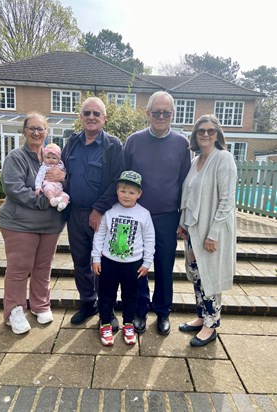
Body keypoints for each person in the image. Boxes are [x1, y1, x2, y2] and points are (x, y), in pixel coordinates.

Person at [46, 96, 124, 327]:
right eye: (87, 113)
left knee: (103, 263)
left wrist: (99, 209)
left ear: (104, 118)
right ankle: (87, 303)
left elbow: (117, 180)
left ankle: (107, 312)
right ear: (80, 117)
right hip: (76, 214)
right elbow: (64, 174)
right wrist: (63, 178)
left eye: (96, 114)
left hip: (101, 215)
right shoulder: (71, 143)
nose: (91, 117)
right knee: (80, 263)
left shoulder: (113, 145)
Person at [124, 91, 191, 335]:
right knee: (137, 266)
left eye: (166, 112)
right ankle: (140, 310)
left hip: (167, 217)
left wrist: (183, 219)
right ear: (148, 113)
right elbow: (123, 179)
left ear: (172, 114)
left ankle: (162, 311)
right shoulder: (133, 141)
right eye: (156, 112)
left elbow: (186, 184)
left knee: (164, 266)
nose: (161, 116)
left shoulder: (182, 144)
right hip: (137, 216)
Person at [0, 113, 65, 335]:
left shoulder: (54, 157)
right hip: (20, 224)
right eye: (31, 128)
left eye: (40, 129)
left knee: (43, 267)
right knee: (19, 268)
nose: (36, 133)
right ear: (24, 131)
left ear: (47, 132)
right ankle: (14, 311)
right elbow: (13, 188)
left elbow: (65, 182)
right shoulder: (16, 157)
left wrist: (63, 179)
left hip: (50, 225)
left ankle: (40, 304)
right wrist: (44, 200)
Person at [177, 114, 237, 347]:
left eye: (210, 130)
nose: (205, 134)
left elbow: (227, 200)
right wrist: (183, 224)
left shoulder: (223, 159)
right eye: (201, 130)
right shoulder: (195, 161)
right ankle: (202, 317)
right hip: (194, 231)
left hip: (212, 233)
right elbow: (189, 196)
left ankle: (211, 326)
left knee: (210, 277)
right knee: (197, 276)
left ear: (217, 135)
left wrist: (213, 234)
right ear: (195, 135)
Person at [92, 171, 155, 346]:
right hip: (108, 263)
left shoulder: (144, 214)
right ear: (117, 190)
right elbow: (100, 234)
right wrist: (96, 257)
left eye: (131, 192)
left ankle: (128, 324)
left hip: (132, 265)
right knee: (106, 294)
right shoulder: (109, 211)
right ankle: (105, 324)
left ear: (139, 194)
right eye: (123, 191)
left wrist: (147, 262)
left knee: (131, 296)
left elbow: (150, 239)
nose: (126, 195)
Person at [35, 143, 69, 212]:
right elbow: (39, 177)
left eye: (54, 158)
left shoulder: (61, 166)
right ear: (44, 157)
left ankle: (62, 205)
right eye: (48, 157)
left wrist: (64, 175)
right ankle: (52, 200)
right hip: (48, 184)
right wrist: (38, 187)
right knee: (49, 190)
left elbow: (66, 174)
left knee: (66, 196)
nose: (51, 160)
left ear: (59, 159)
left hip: (59, 188)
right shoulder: (44, 167)